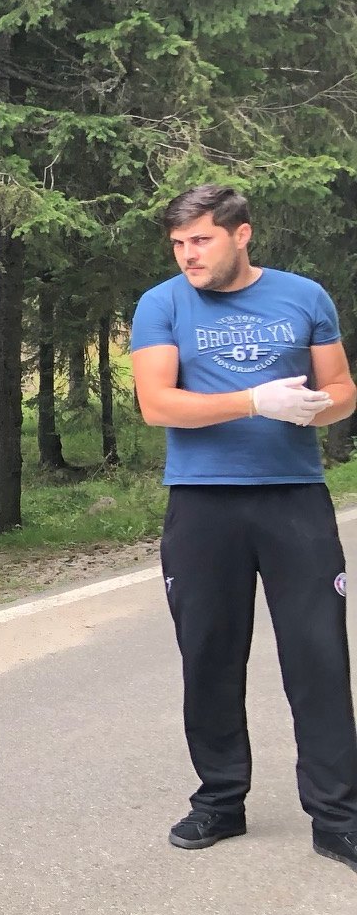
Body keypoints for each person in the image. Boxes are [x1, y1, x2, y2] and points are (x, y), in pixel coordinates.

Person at [130, 183, 357, 871]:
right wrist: (254, 400)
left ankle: (338, 816)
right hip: (203, 505)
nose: (188, 256)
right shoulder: (162, 304)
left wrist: (311, 411)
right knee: (210, 655)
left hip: (294, 500)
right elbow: (156, 403)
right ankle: (220, 802)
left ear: (241, 234)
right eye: (178, 243)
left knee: (319, 656)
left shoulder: (303, 296)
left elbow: (343, 388)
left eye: (201, 240)